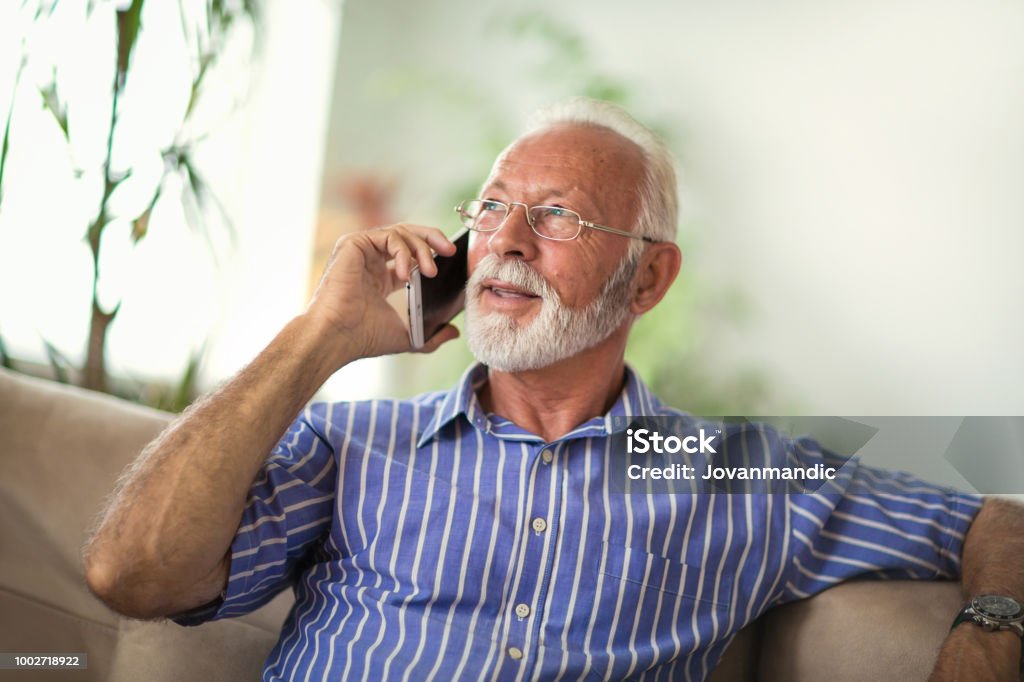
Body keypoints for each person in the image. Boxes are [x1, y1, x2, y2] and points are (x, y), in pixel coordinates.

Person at [83, 98, 1023, 681]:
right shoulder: (353, 442)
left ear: (648, 281)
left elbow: (999, 522)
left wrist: (985, 640)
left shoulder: (735, 472)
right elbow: (131, 576)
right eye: (491, 206)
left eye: (559, 216)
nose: (507, 241)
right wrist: (320, 336)